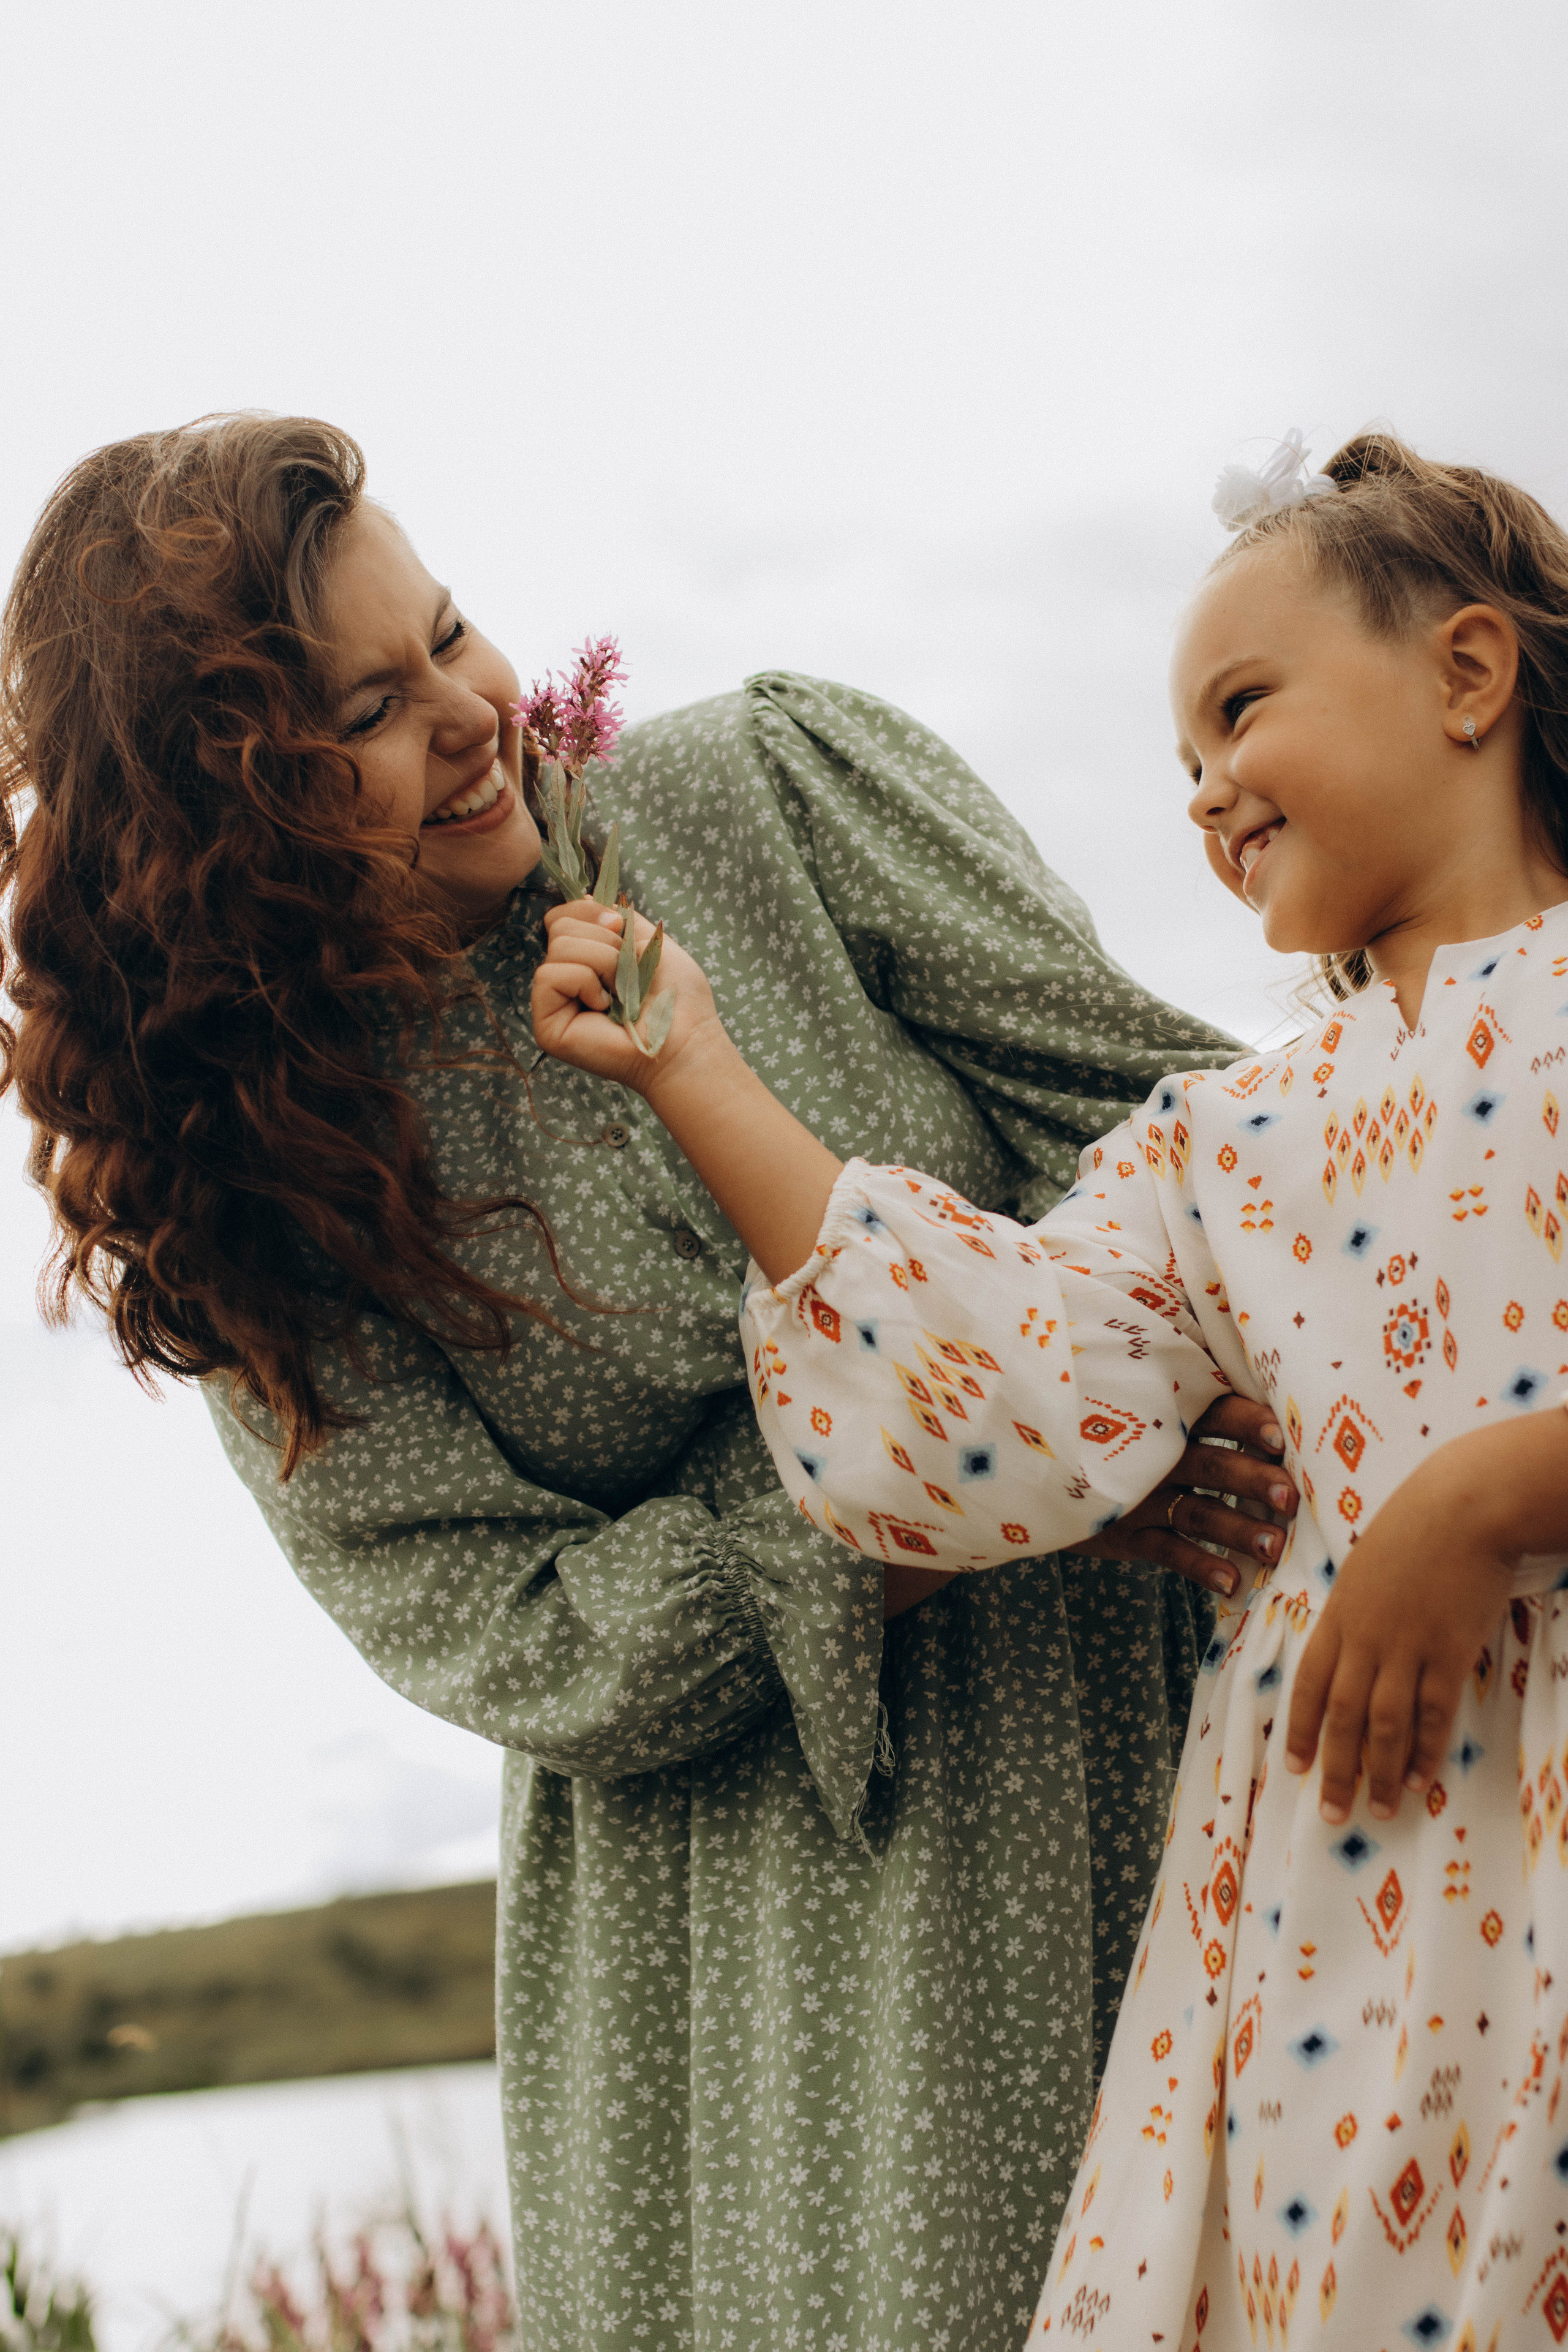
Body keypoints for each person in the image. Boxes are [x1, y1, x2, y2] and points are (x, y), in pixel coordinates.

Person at [0, 412, 1294, 2352]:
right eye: (370, 711)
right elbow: (517, 1634)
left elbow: (1184, 1143)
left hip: (1131, 1758)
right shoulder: (252, 1191)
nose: (475, 714)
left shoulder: (770, 793)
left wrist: (1093, 1394)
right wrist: (970, 1481)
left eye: (452, 632)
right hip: (730, 1958)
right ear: (221, 825)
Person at [532, 428, 1568, 2346]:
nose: (1206, 788)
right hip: (1356, 1940)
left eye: (1241, 708)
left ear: (1469, 673)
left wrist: (1484, 1500)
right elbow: (994, 1400)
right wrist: (695, 1068)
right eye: (1179, 759)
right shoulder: (1219, 1147)